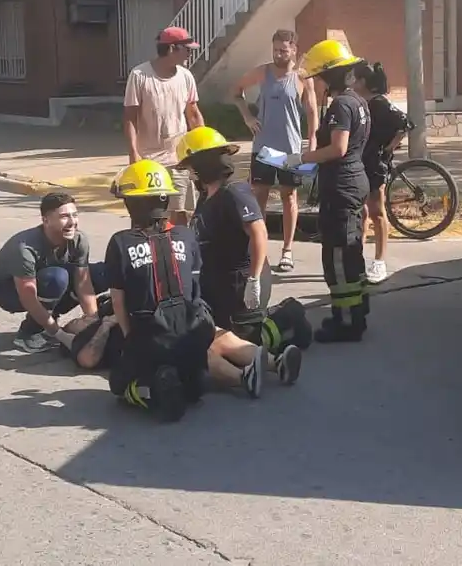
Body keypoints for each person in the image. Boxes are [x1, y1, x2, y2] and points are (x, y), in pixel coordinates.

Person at [102, 161, 268, 421]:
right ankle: (191, 383)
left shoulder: (120, 243)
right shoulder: (186, 235)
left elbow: (119, 302)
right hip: (194, 336)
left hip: (153, 337)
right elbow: (193, 285)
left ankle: (154, 390)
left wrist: (130, 341)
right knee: (193, 381)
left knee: (119, 384)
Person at [175, 126, 311, 384]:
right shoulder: (207, 197)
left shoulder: (234, 192)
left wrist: (254, 279)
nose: (190, 173)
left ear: (204, 165)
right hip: (218, 285)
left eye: (192, 166)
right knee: (213, 334)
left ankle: (287, 319)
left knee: (237, 343)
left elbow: (258, 233)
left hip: (242, 283)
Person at [281, 39, 371, 343]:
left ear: (329, 76)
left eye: (319, 77)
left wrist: (301, 159)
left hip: (342, 188)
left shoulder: (341, 106)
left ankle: (345, 323)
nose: (316, 83)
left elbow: (338, 148)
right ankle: (357, 312)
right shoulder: (358, 102)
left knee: (338, 257)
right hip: (354, 183)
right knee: (353, 254)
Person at [231, 29, 319, 273]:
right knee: (258, 195)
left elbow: (312, 112)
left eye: (283, 49)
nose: (278, 54)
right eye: (275, 49)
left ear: (294, 50)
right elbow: (236, 92)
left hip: (290, 149)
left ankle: (287, 250)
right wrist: (248, 117)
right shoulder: (263, 72)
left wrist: (312, 142)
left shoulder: (303, 77)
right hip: (264, 149)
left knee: (288, 196)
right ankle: (258, 248)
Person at [0, 192, 102, 353]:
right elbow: (29, 297)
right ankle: (29, 333)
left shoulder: (78, 240)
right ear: (46, 220)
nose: (72, 222)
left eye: (74, 215)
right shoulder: (25, 249)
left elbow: (83, 283)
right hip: (7, 292)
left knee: (100, 273)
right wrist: (60, 335)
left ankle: (48, 319)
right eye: (64, 217)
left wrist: (94, 322)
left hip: (45, 281)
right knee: (56, 278)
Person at [123, 26, 205, 226]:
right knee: (149, 216)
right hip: (149, 160)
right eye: (187, 49)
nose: (190, 53)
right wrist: (134, 153)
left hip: (180, 159)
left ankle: (178, 253)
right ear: (171, 49)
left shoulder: (186, 76)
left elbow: (193, 115)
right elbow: (130, 118)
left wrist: (204, 150)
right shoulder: (140, 75)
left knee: (181, 213)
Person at [352, 61, 413, 285]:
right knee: (362, 213)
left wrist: (387, 150)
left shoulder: (379, 104)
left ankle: (379, 261)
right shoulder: (358, 103)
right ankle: (357, 257)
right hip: (359, 163)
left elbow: (405, 124)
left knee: (377, 212)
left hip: (375, 164)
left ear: (364, 82)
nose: (353, 83)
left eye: (356, 79)